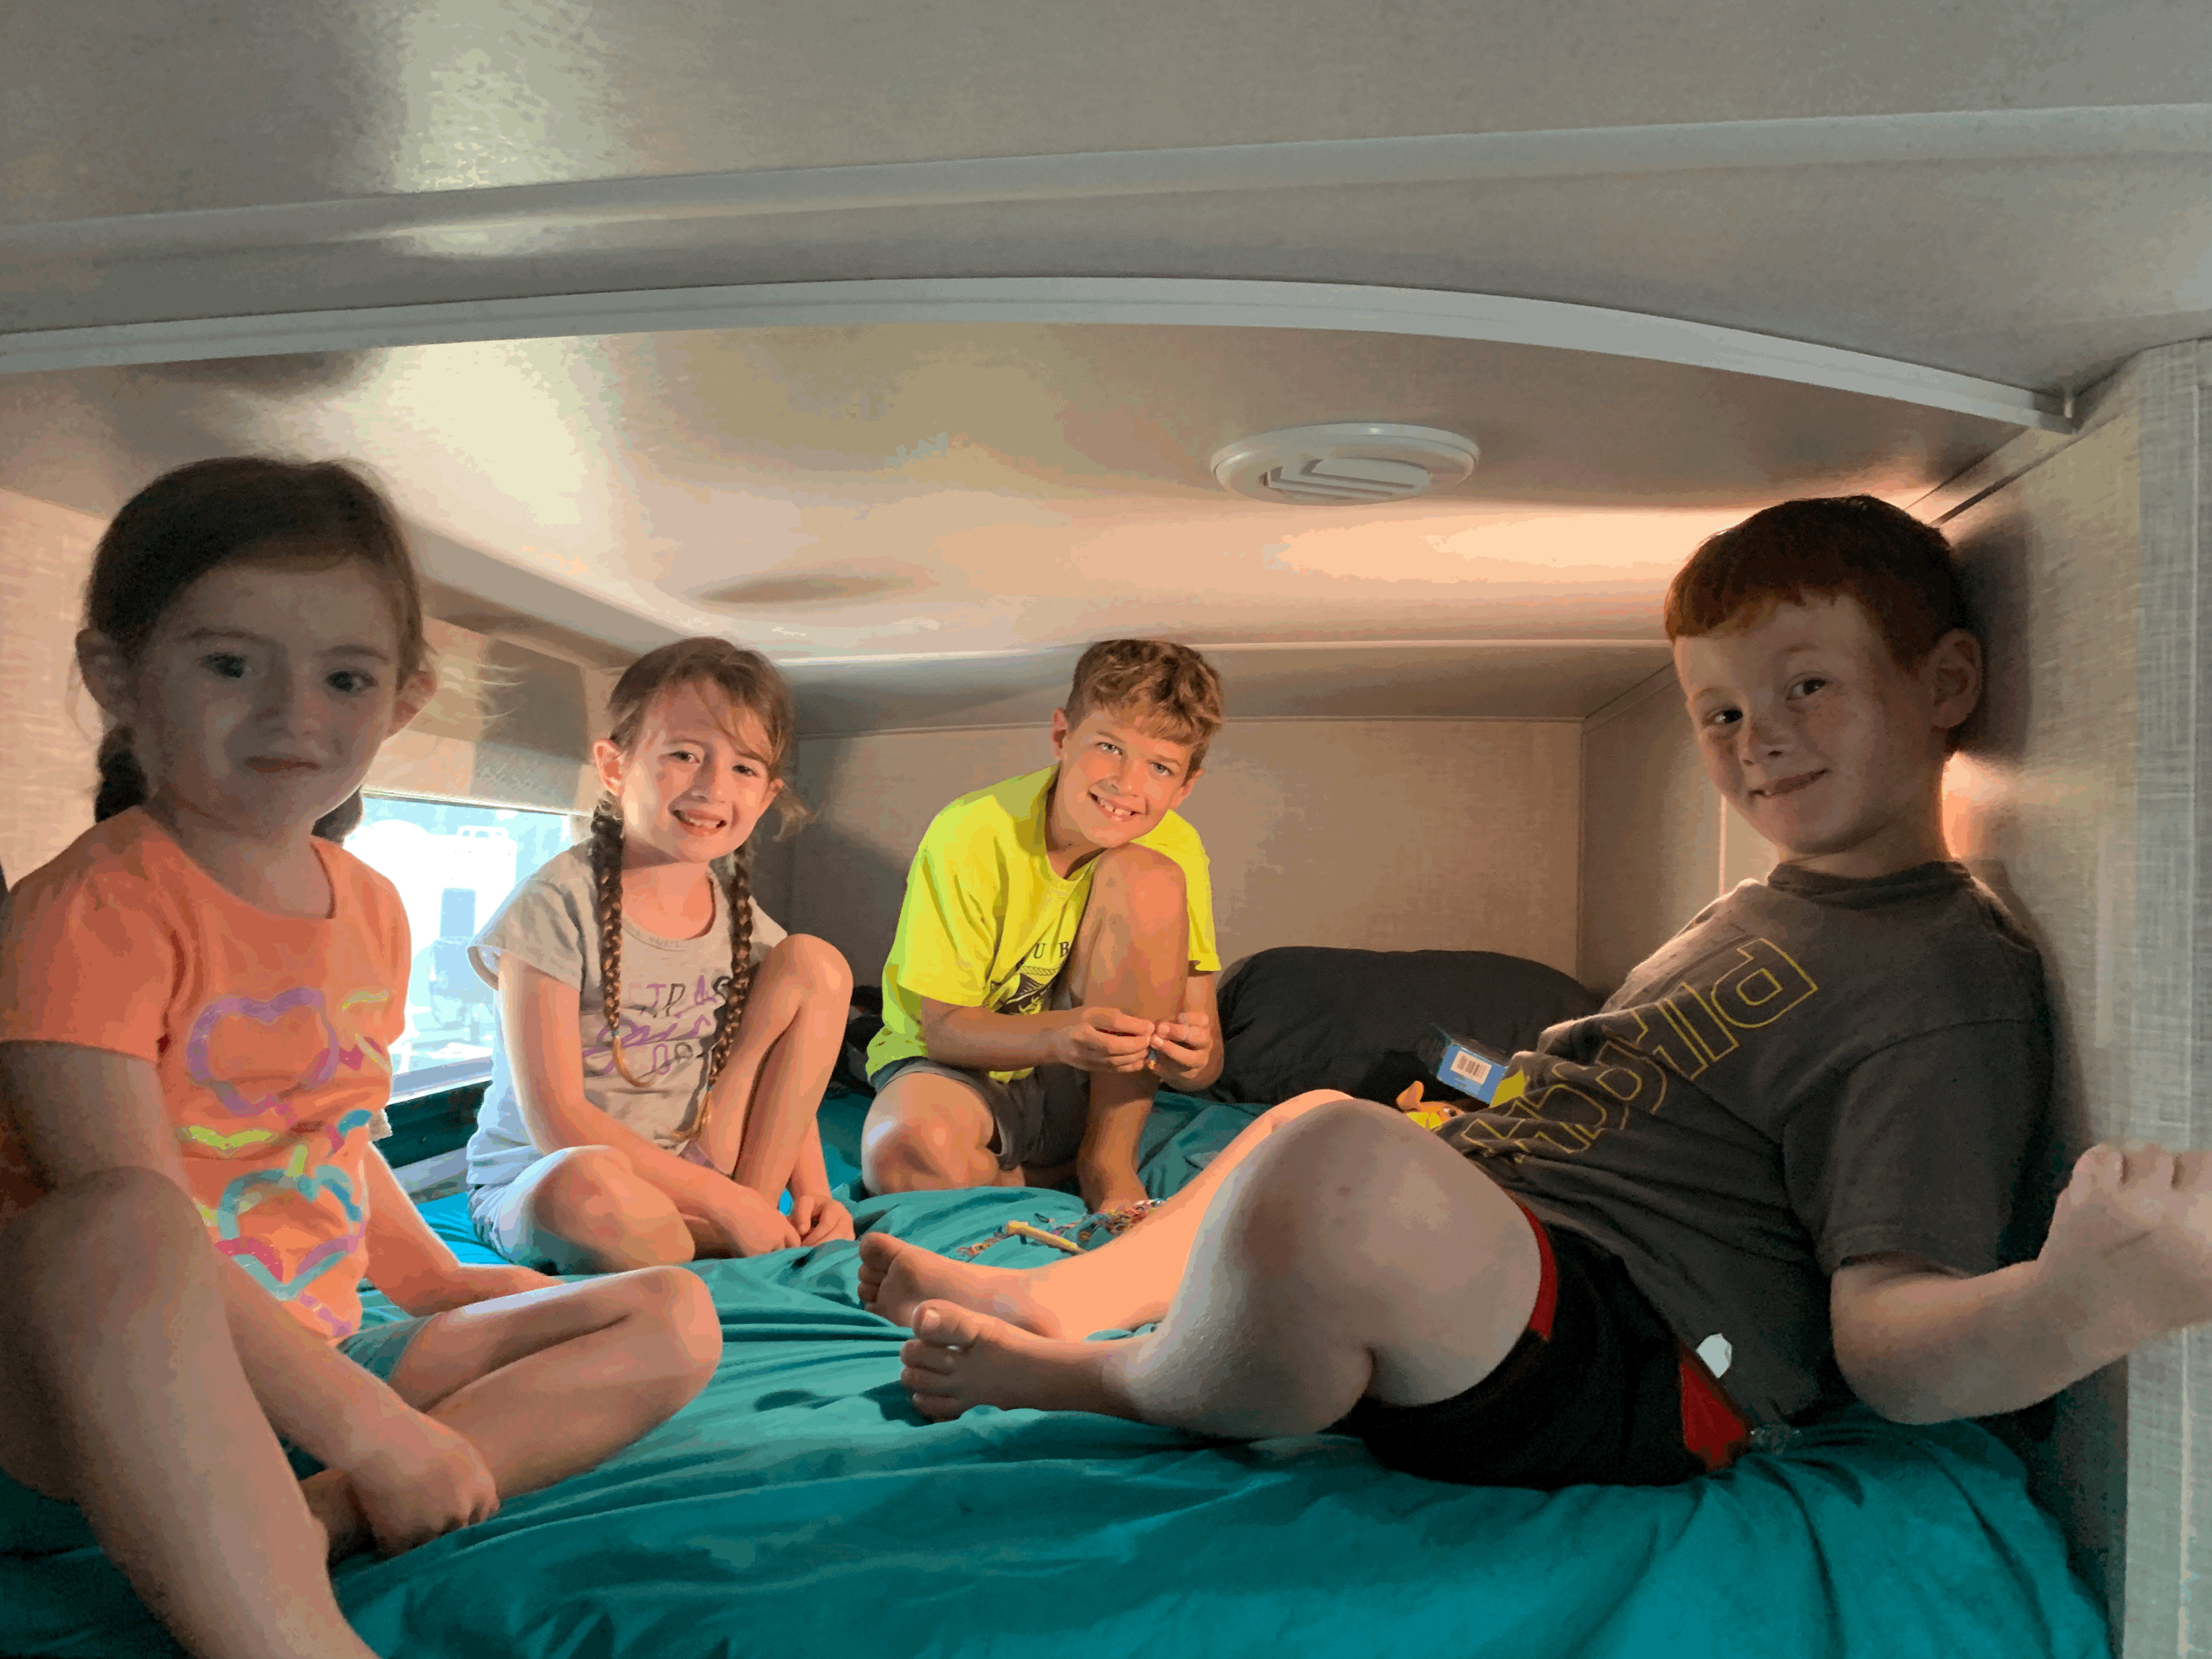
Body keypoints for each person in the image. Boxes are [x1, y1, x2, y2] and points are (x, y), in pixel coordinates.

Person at [858, 495, 2212, 1490]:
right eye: (1720, 712)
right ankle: (1066, 1299)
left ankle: (1108, 1377)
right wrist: (1469, 1115)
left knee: (1337, 1164)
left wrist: (2075, 1299)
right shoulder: (1759, 910)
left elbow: (1890, 1338)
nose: (1758, 738)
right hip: (1521, 1248)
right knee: (1319, 1120)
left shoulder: (1937, 976)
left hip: (1644, 1352)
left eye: (1806, 685)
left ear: (1945, 682)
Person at [0, 457, 723, 1658]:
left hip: (318, 1361)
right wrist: (373, 1427)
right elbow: (119, 1230)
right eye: (230, 665)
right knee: (124, 1221)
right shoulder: (90, 911)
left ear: (401, 699)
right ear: (117, 678)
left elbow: (326, 1135)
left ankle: (311, 1520)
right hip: (91, 1410)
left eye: (343, 678)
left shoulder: (372, 907)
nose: (293, 716)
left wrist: (437, 1288)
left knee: (673, 1314)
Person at [463, 638, 855, 1271]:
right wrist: (722, 1202)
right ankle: (727, 1233)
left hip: (698, 1170)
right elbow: (557, 1120)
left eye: (744, 769)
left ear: (765, 796)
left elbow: (787, 1082)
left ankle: (755, 1220)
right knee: (588, 1192)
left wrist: (813, 1192)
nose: (712, 786)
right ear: (614, 767)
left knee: (816, 965)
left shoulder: (744, 924)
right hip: (554, 1176)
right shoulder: (554, 906)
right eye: (684, 755)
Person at [860, 640, 1227, 1215]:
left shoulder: (1177, 845)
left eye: (1159, 767)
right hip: (958, 1071)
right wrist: (1060, 1034)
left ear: (1185, 787)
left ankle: (1107, 1163)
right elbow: (945, 1032)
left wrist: (1190, 1062)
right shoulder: (970, 832)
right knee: (900, 1155)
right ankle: (1043, 1178)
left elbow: (1206, 1059)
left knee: (1147, 875)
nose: (1127, 784)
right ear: (1062, 736)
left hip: (1086, 1083)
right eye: (1109, 747)